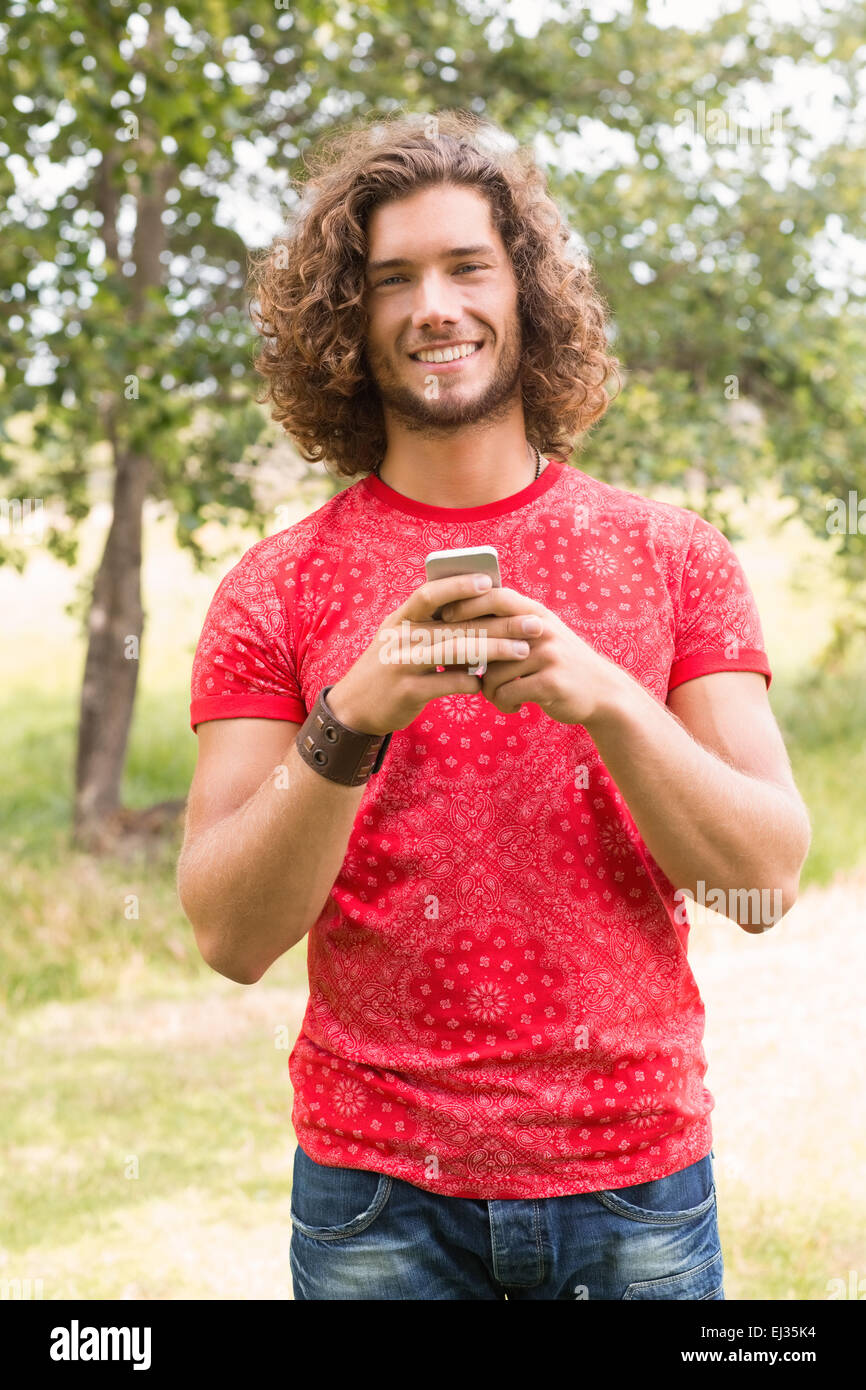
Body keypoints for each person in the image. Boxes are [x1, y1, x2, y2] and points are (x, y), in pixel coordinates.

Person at [177, 111, 811, 1300]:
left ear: (525, 292)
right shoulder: (275, 588)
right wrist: (350, 715)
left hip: (632, 1187)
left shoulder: (672, 557)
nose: (434, 307)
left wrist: (612, 703)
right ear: (346, 321)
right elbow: (231, 935)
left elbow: (763, 886)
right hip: (375, 1203)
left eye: (468, 265)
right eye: (391, 280)